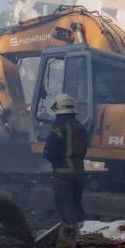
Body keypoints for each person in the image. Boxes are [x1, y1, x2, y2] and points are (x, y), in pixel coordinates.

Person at [43, 93, 87, 225]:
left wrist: (54, 162)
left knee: (65, 208)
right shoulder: (80, 127)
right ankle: (84, 231)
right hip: (79, 173)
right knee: (76, 206)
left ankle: (72, 234)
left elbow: (51, 148)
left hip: (63, 174)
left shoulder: (59, 125)